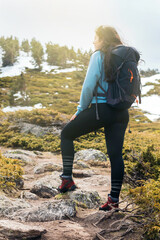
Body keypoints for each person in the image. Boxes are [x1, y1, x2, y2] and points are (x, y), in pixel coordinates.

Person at [58, 25, 130, 211]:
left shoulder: (98, 55)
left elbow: (89, 86)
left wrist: (81, 109)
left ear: (103, 39)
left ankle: (67, 180)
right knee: (116, 155)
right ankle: (113, 200)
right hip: (121, 112)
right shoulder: (125, 58)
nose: (93, 41)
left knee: (66, 134)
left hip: (102, 109)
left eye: (96, 38)